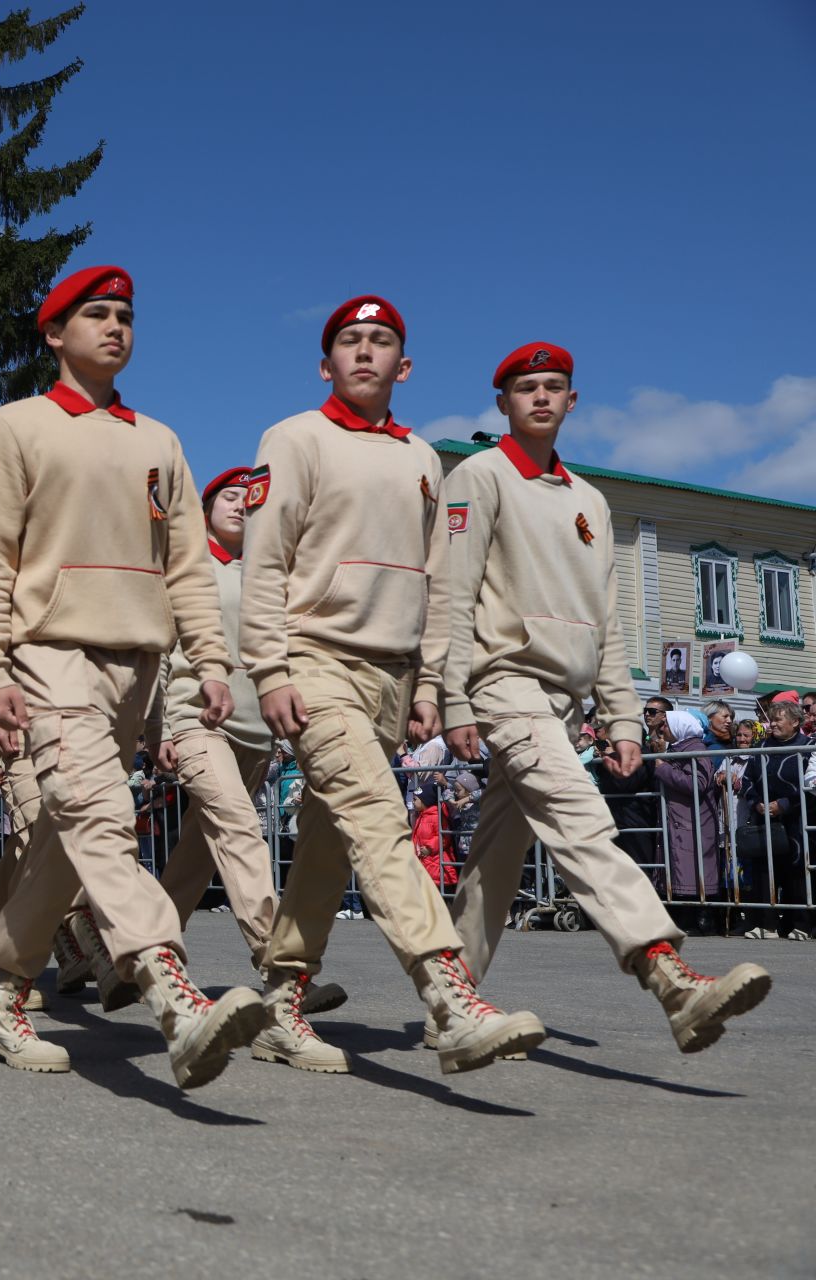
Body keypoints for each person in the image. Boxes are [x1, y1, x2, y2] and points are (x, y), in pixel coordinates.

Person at [0, 264, 261, 1085]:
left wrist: (211, 660)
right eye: (96, 314)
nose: (116, 327)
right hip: (50, 653)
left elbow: (190, 567)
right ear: (55, 334)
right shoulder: (16, 428)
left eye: (125, 315)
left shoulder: (158, 441)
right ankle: (174, 994)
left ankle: (1, 997)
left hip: (140, 665)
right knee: (101, 817)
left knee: (64, 839)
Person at [242, 296, 544, 1075]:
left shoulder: (420, 458)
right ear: (326, 363)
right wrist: (271, 668)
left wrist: (431, 685)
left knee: (326, 844)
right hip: (315, 663)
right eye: (350, 341)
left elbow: (439, 584)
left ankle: (281, 999)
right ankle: (448, 993)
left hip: (394, 675)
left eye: (381, 342)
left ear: (403, 366)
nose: (365, 352)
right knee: (379, 824)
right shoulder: (295, 438)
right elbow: (264, 563)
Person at [439, 343, 768, 1051]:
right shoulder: (478, 476)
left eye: (553, 386)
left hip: (567, 698)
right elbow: (450, 594)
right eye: (525, 387)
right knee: (581, 817)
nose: (540, 398)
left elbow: (608, 625)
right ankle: (667, 973)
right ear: (502, 403)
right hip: (506, 681)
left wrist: (621, 716)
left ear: (572, 400)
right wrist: (453, 698)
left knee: (497, 857)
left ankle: (449, 1001)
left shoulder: (590, 501)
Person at [156, 465, 348, 1025]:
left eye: (250, 498)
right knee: (239, 828)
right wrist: (161, 727)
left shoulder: (272, 577)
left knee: (197, 853)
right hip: (197, 721)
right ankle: (279, 964)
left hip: (255, 736)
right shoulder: (187, 571)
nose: (242, 504)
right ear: (205, 508)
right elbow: (164, 654)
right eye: (229, 496)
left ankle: (141, 952)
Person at [734, 695, 811, 940]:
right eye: (773, 720)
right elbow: (747, 781)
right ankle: (766, 924)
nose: (773, 724)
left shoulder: (807, 747)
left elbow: (809, 786)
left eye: (779, 720)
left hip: (795, 819)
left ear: (795, 723)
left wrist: (785, 804)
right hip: (764, 817)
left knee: (797, 871)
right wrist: (757, 803)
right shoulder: (763, 747)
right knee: (764, 869)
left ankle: (802, 924)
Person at [654, 710, 724, 932]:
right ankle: (685, 918)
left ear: (678, 726)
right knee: (682, 871)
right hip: (681, 820)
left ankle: (700, 919)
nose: (661, 729)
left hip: (693, 821)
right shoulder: (678, 749)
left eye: (665, 725)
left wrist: (663, 768)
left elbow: (698, 784)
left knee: (694, 871)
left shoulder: (696, 750)